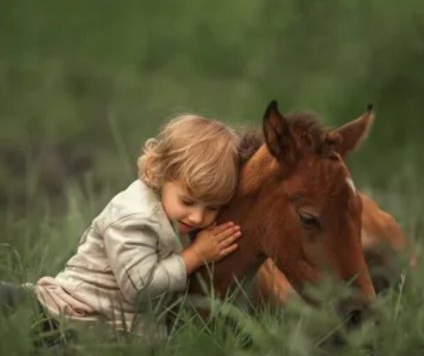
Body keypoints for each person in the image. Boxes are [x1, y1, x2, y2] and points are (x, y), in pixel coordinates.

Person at [0, 114, 243, 337]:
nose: (198, 218)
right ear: (162, 172)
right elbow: (139, 287)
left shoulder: (177, 217)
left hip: (106, 326)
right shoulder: (135, 217)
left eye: (212, 208)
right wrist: (196, 255)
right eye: (188, 201)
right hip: (69, 308)